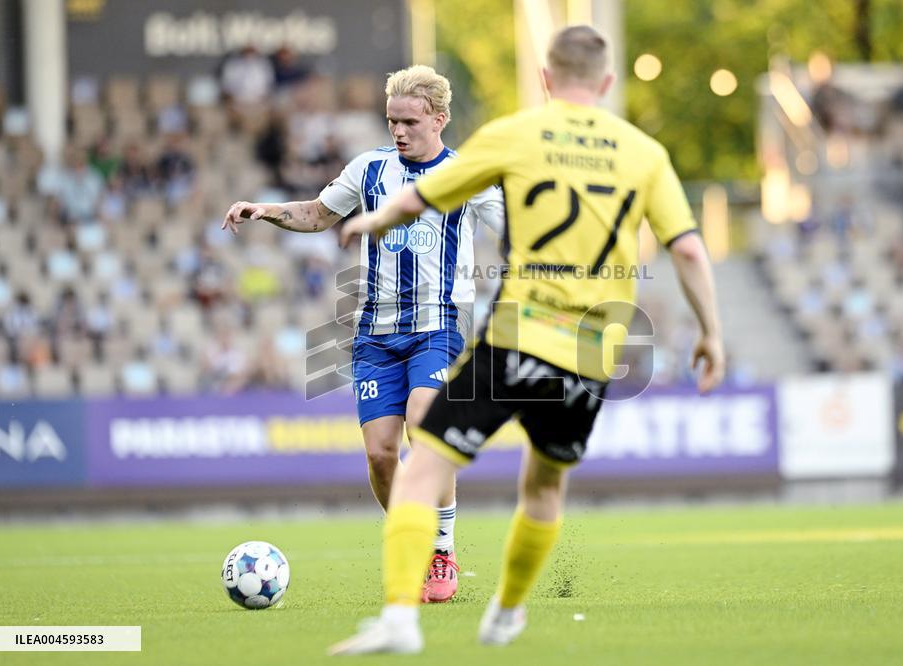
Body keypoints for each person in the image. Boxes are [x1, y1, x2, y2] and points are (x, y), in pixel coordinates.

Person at [327, 25, 725, 655]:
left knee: (425, 459)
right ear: (607, 83)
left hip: (516, 334)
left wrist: (371, 219)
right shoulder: (644, 152)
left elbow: (422, 195)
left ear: (545, 79)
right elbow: (691, 250)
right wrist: (711, 334)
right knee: (544, 485)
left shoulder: (514, 134)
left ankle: (401, 617)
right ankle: (506, 612)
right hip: (591, 348)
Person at [223, 65, 504, 604]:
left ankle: (441, 549)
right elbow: (315, 215)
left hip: (438, 327)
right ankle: (413, 542)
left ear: (439, 119)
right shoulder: (370, 169)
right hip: (374, 335)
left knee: (427, 428)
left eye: (410, 122)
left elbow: (514, 230)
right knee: (380, 455)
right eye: (392, 120)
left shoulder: (467, 175)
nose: (398, 131)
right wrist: (266, 210)